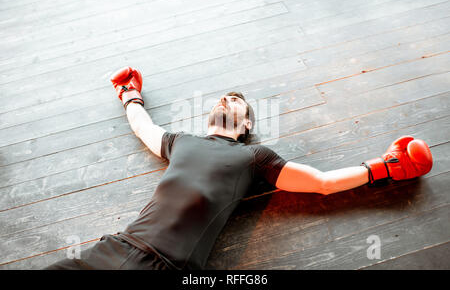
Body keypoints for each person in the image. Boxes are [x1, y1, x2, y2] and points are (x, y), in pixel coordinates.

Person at [45, 67, 433, 270]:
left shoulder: (253, 158)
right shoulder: (182, 142)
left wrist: (383, 167)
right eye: (223, 98)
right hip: (114, 248)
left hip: (166, 266)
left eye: (236, 102)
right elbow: (144, 128)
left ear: (245, 126)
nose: (226, 99)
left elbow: (321, 183)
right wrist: (130, 94)